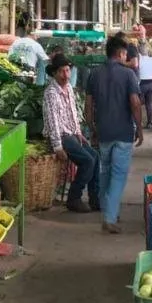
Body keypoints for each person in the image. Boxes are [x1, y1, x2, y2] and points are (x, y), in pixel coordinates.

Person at [84, 36, 144, 234]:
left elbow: (88, 105)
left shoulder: (94, 74)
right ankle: (109, 217)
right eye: (125, 53)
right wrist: (140, 127)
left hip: (103, 132)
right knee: (118, 175)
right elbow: (135, 103)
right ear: (120, 54)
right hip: (123, 132)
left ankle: (108, 209)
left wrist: (92, 128)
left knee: (105, 171)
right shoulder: (128, 75)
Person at [42, 53, 99, 213]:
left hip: (72, 134)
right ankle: (74, 198)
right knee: (87, 161)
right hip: (61, 136)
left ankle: (95, 198)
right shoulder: (51, 93)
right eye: (62, 71)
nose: (66, 75)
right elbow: (53, 121)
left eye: (68, 70)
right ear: (54, 73)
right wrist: (58, 147)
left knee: (95, 156)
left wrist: (78, 132)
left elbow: (73, 112)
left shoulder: (68, 89)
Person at [137, 42, 152, 130]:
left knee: (138, 105)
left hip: (142, 83)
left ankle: (139, 122)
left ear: (139, 51)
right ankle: (149, 122)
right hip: (151, 83)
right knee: (148, 104)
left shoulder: (139, 60)